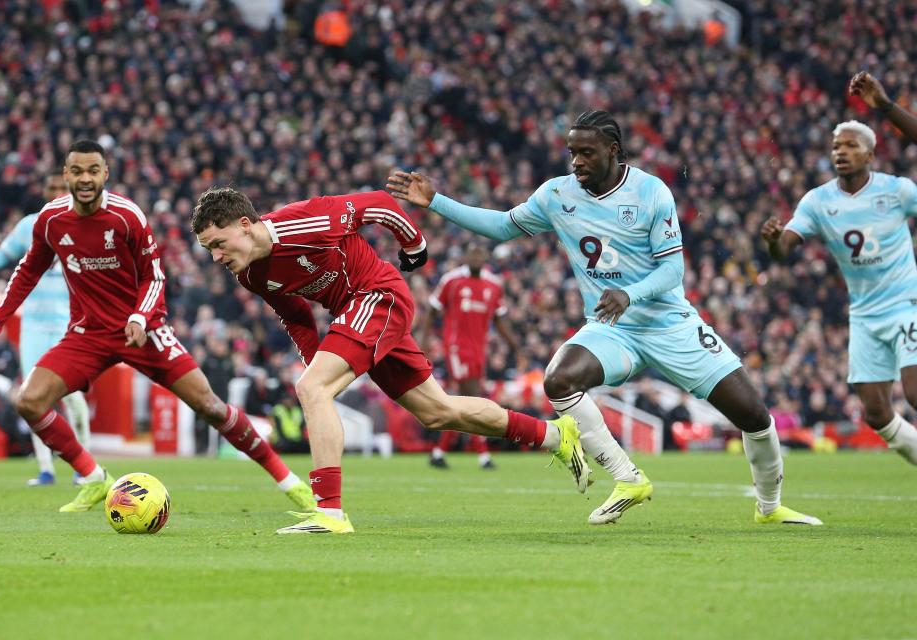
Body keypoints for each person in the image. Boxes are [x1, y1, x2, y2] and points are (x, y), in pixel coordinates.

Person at [388, 109, 821, 526]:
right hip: (614, 329)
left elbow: (673, 270)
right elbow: (502, 225)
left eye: (587, 153)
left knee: (754, 415)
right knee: (558, 379)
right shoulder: (557, 195)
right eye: (572, 152)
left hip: (670, 324)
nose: (576, 162)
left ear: (613, 150)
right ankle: (627, 479)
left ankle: (770, 507)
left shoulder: (651, 192)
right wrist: (437, 202)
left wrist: (629, 294)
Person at [191, 187, 589, 535]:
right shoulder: (250, 275)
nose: (216, 256)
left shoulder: (305, 220)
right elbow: (294, 315)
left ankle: (328, 511)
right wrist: (317, 361)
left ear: (245, 223)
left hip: (377, 295)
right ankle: (554, 435)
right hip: (357, 314)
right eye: (209, 249)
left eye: (219, 242)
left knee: (311, 389)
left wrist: (414, 246)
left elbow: (379, 204)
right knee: (439, 412)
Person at [0, 139, 315, 513]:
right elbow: (27, 271)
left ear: (106, 174)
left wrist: (138, 317)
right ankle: (93, 478)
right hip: (87, 334)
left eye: (93, 171)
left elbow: (154, 276)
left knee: (211, 406)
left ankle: (291, 484)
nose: (85, 179)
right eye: (78, 171)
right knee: (29, 401)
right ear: (66, 175)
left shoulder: (126, 216)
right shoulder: (51, 220)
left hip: (144, 331)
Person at [762, 96, 917, 465]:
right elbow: (784, 250)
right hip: (864, 315)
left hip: (906, 305)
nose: (841, 152)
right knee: (877, 414)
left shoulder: (896, 191)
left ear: (870, 155)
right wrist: (772, 241)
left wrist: (886, 105)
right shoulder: (817, 201)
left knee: (914, 394)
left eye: (851, 145)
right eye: (836, 146)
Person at [0, 174, 92, 486]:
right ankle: (46, 469)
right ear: (44, 191)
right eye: (52, 188)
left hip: (67, 325)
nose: (58, 193)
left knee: (72, 397)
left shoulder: (86, 225)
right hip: (33, 326)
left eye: (63, 188)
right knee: (31, 396)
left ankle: (83, 467)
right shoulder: (30, 226)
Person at [419, 242, 519, 470]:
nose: (475, 258)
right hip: (456, 347)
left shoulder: (493, 285)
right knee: (473, 397)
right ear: (465, 256)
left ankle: (439, 452)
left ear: (485, 259)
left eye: (479, 254)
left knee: (464, 401)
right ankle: (483, 456)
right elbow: (432, 312)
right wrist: (424, 342)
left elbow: (499, 319)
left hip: (478, 350)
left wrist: (514, 345)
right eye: (472, 254)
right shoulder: (451, 280)